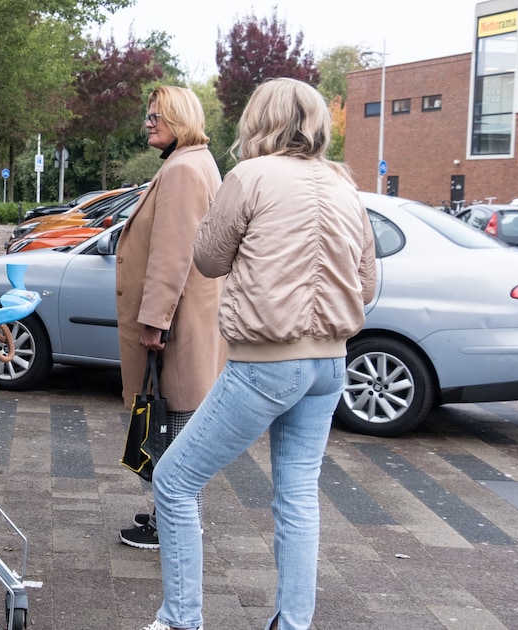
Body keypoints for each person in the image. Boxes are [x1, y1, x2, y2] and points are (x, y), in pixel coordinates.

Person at [141, 78, 377, 630]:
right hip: (330, 364)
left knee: (174, 481)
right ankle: (292, 624)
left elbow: (208, 259)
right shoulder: (345, 185)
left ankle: (180, 620)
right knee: (296, 497)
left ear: (259, 120)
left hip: (268, 361)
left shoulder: (249, 176)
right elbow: (366, 284)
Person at [115, 86, 224, 550]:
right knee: (178, 427)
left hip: (176, 328)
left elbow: (172, 254)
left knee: (175, 428)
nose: (148, 121)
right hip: (191, 321)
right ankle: (170, 517)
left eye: (157, 115)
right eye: (148, 113)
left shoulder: (181, 170)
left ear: (180, 119)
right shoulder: (199, 162)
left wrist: (154, 319)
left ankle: (177, 527)